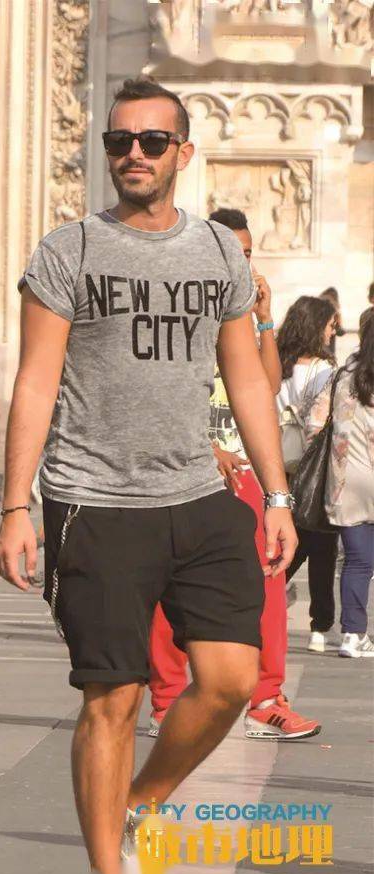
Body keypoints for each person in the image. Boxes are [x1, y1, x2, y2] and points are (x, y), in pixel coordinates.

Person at [0, 78, 296, 874]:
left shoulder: (219, 252)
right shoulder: (69, 250)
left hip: (197, 492)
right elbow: (35, 380)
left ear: (183, 153)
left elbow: (246, 377)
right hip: (94, 498)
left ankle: (142, 798)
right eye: (119, 141)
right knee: (114, 699)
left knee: (231, 680)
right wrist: (16, 506)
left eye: (152, 141)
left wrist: (276, 495)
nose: (134, 153)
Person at [147, 208, 319, 741]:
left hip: (245, 474)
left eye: (247, 253)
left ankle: (266, 699)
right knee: (169, 588)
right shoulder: (181, 304)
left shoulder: (240, 310)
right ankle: (166, 701)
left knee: (269, 580)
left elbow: (265, 387)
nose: (242, 262)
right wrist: (204, 447)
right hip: (183, 470)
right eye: (232, 251)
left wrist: (264, 318)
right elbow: (155, 393)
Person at [305, 319, 374, 658]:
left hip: (344, 484)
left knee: (357, 562)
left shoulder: (342, 375)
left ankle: (352, 634)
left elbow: (314, 423)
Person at [276, 295, 340, 652]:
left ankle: (267, 597)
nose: (333, 333)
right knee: (322, 545)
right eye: (330, 326)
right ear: (317, 327)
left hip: (275, 461)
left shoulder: (275, 361)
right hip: (312, 466)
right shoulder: (325, 369)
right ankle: (320, 626)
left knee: (281, 538)